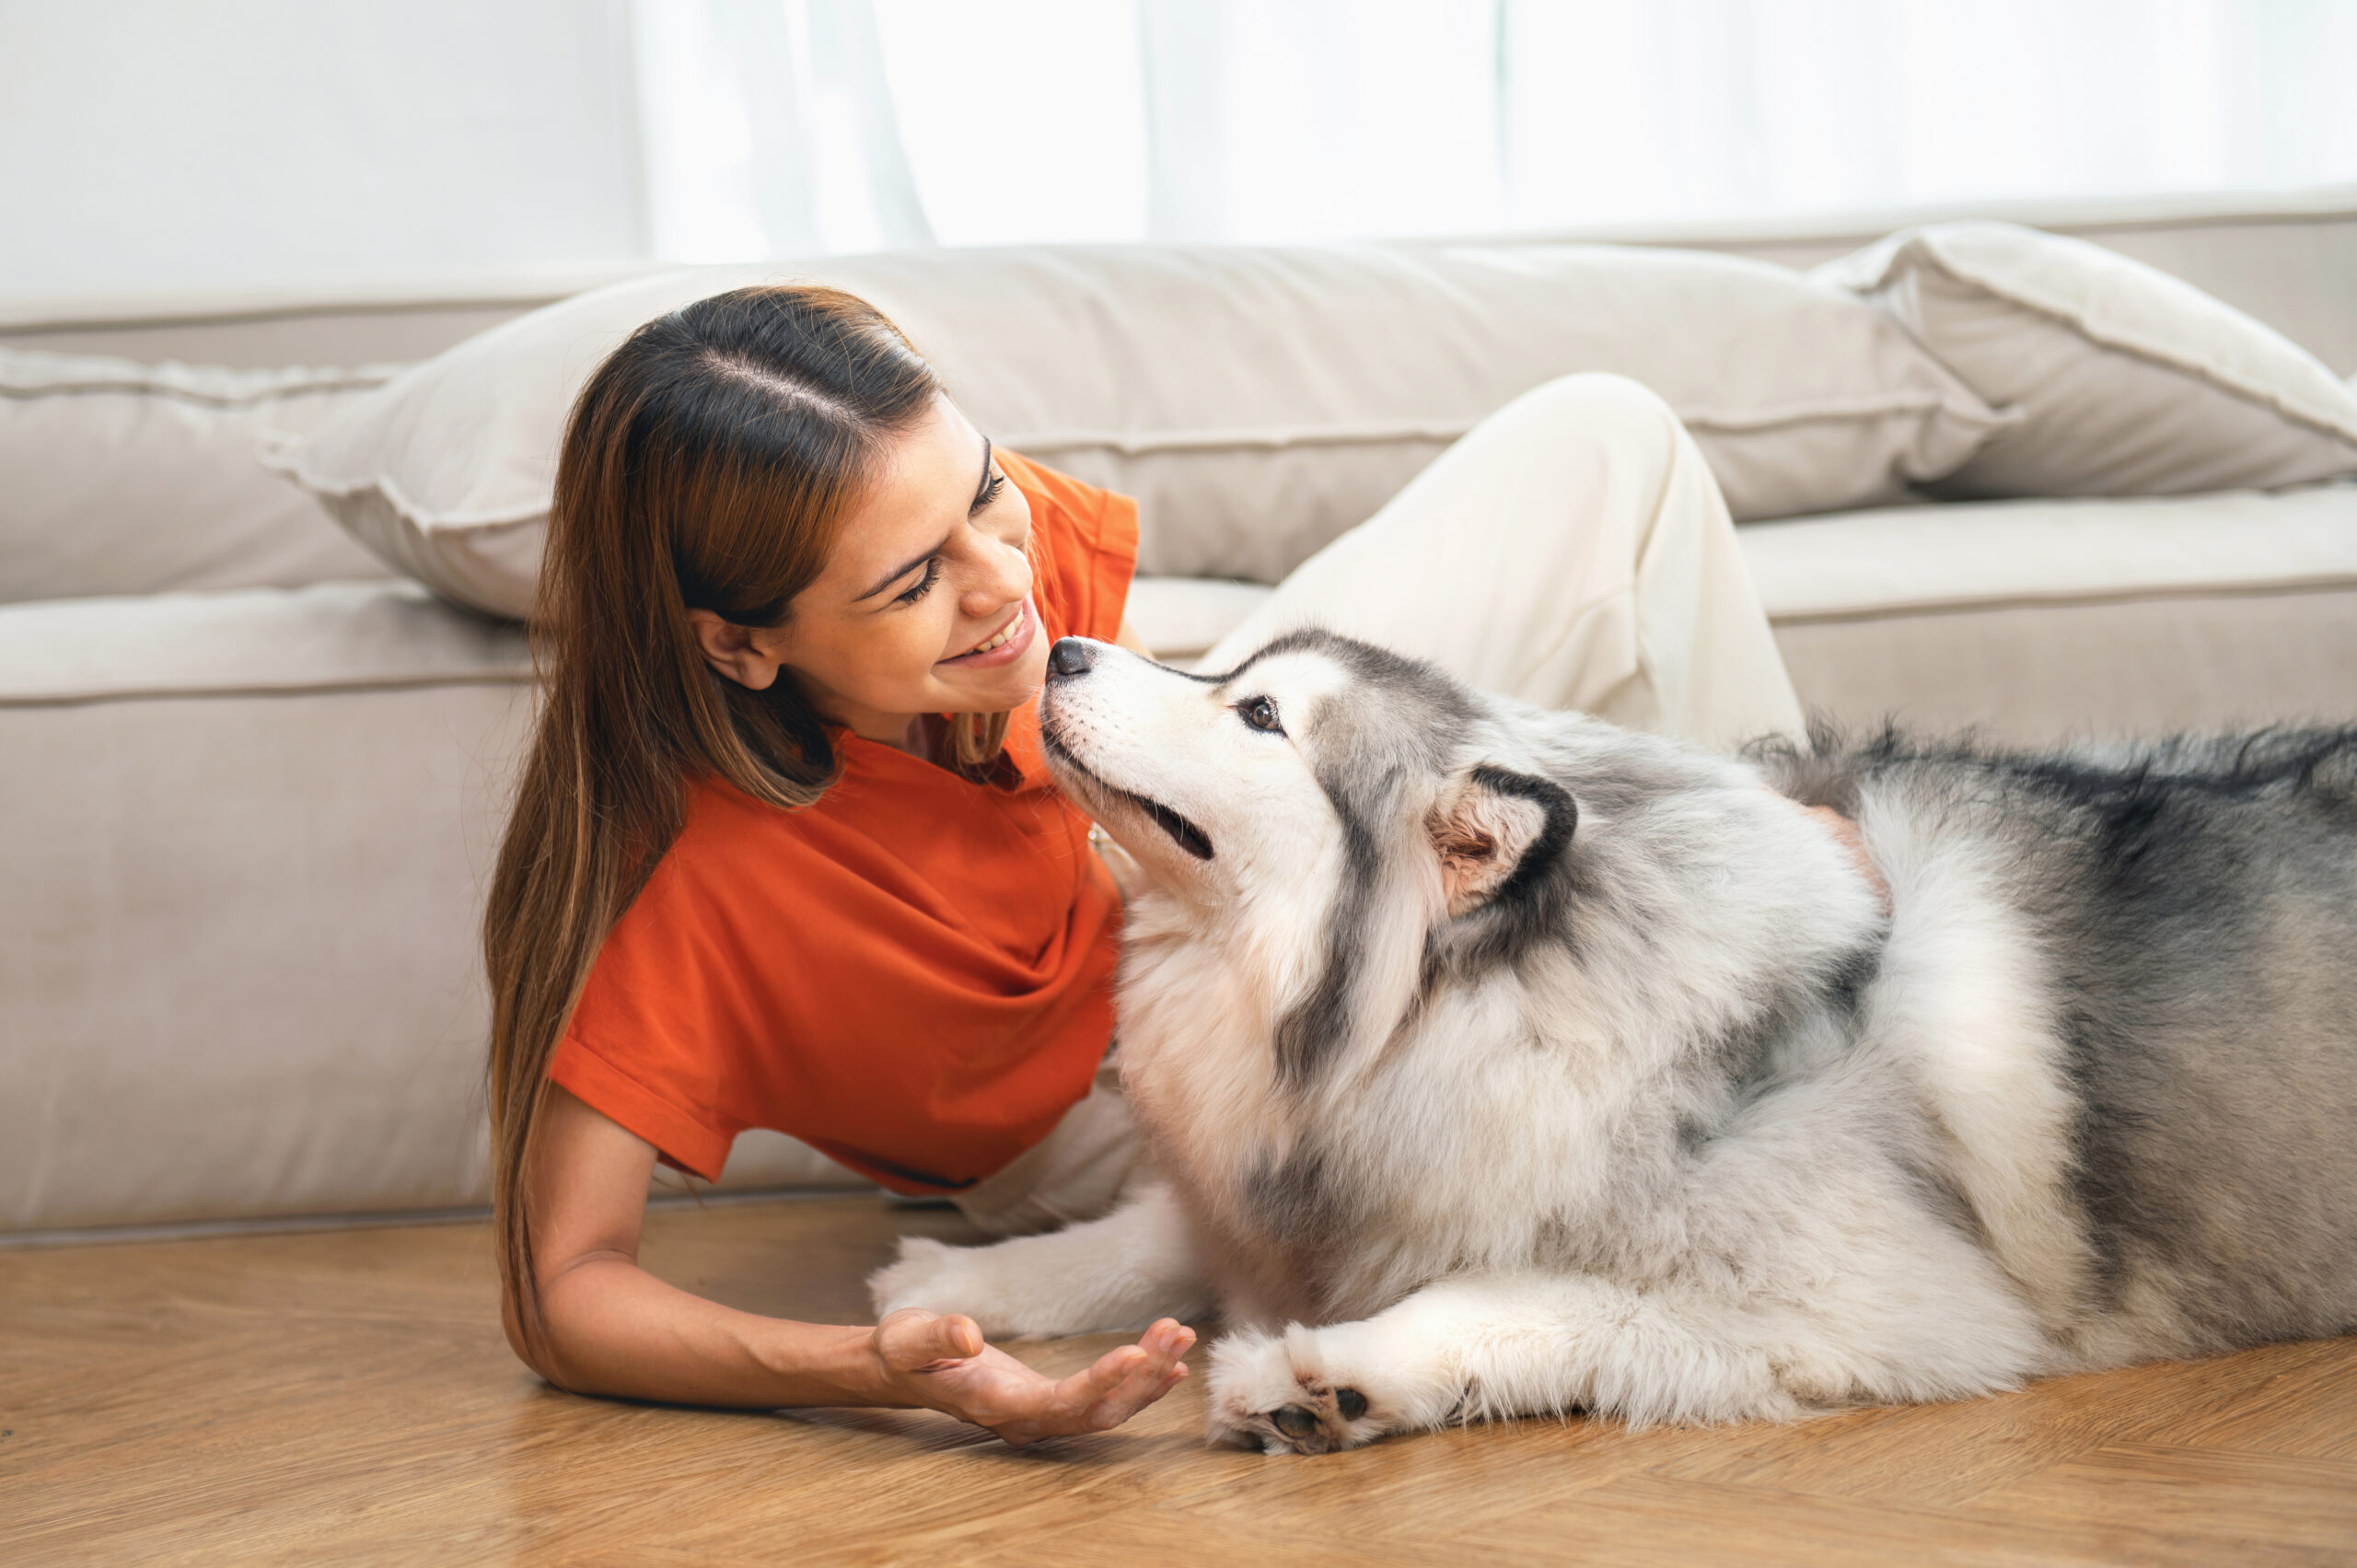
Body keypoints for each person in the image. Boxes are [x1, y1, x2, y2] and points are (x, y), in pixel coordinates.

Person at [482, 284, 1806, 1445]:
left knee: (1604, 439)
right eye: (911, 586)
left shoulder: (963, 545)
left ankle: (1807, 957)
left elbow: (1157, 719)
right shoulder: (691, 892)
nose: (1006, 581)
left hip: (1212, 881)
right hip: (1115, 1103)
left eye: (987, 493)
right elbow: (567, 1294)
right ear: (738, 646)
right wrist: (865, 1371)